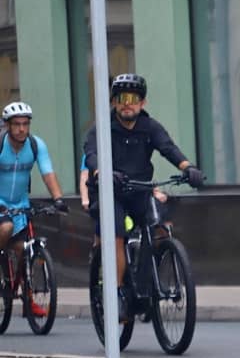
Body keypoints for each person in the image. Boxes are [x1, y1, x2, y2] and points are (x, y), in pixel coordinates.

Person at [83, 73, 205, 321]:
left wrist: (188, 168)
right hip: (110, 193)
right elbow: (92, 154)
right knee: (116, 234)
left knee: (160, 228)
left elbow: (168, 148)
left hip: (141, 190)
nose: (127, 104)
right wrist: (102, 172)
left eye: (133, 98)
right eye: (121, 98)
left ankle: (149, 281)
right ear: (114, 102)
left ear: (142, 102)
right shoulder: (102, 128)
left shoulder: (150, 127)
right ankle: (117, 293)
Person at [0, 102, 68, 316]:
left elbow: (48, 173)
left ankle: (28, 297)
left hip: (20, 205)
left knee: (24, 249)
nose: (22, 129)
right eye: (16, 124)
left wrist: (58, 199)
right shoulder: (1, 144)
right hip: (0, 204)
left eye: (25, 124)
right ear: (7, 126)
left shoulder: (36, 145)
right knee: (5, 228)